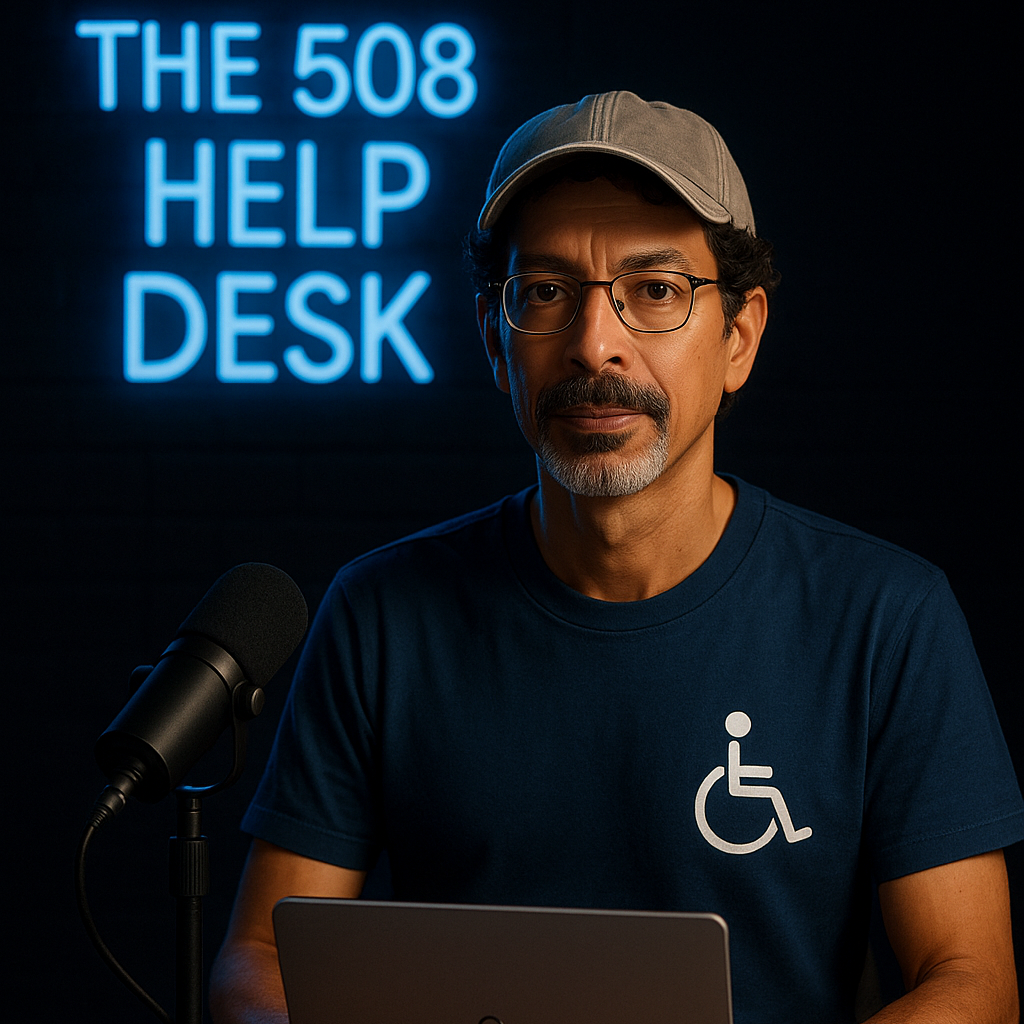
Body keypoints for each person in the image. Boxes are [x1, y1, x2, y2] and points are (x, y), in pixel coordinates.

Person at [210, 92, 1023, 1024]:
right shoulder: (382, 615)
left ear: (740, 338)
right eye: (546, 292)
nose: (596, 343)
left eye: (656, 290)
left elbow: (973, 981)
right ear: (493, 339)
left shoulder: (885, 619)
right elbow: (259, 955)